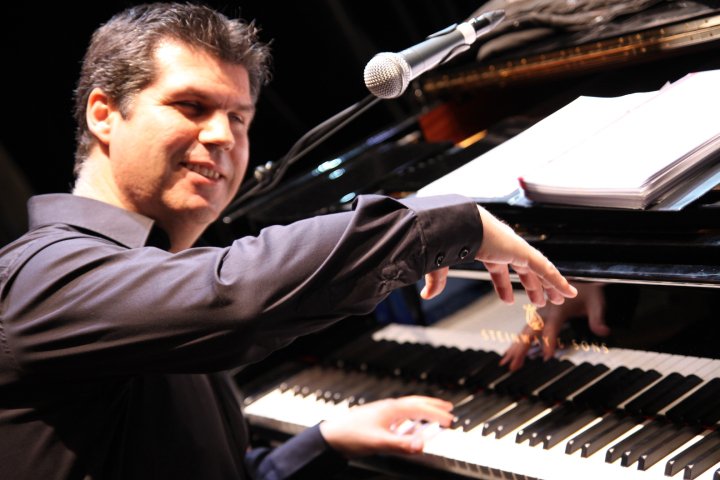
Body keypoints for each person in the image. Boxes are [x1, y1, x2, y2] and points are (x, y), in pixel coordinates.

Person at [0, 3, 577, 479]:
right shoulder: (40, 276)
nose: (223, 135)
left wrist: (325, 439)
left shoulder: (153, 276)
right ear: (104, 114)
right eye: (191, 106)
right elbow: (233, 296)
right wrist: (445, 225)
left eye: (240, 118)